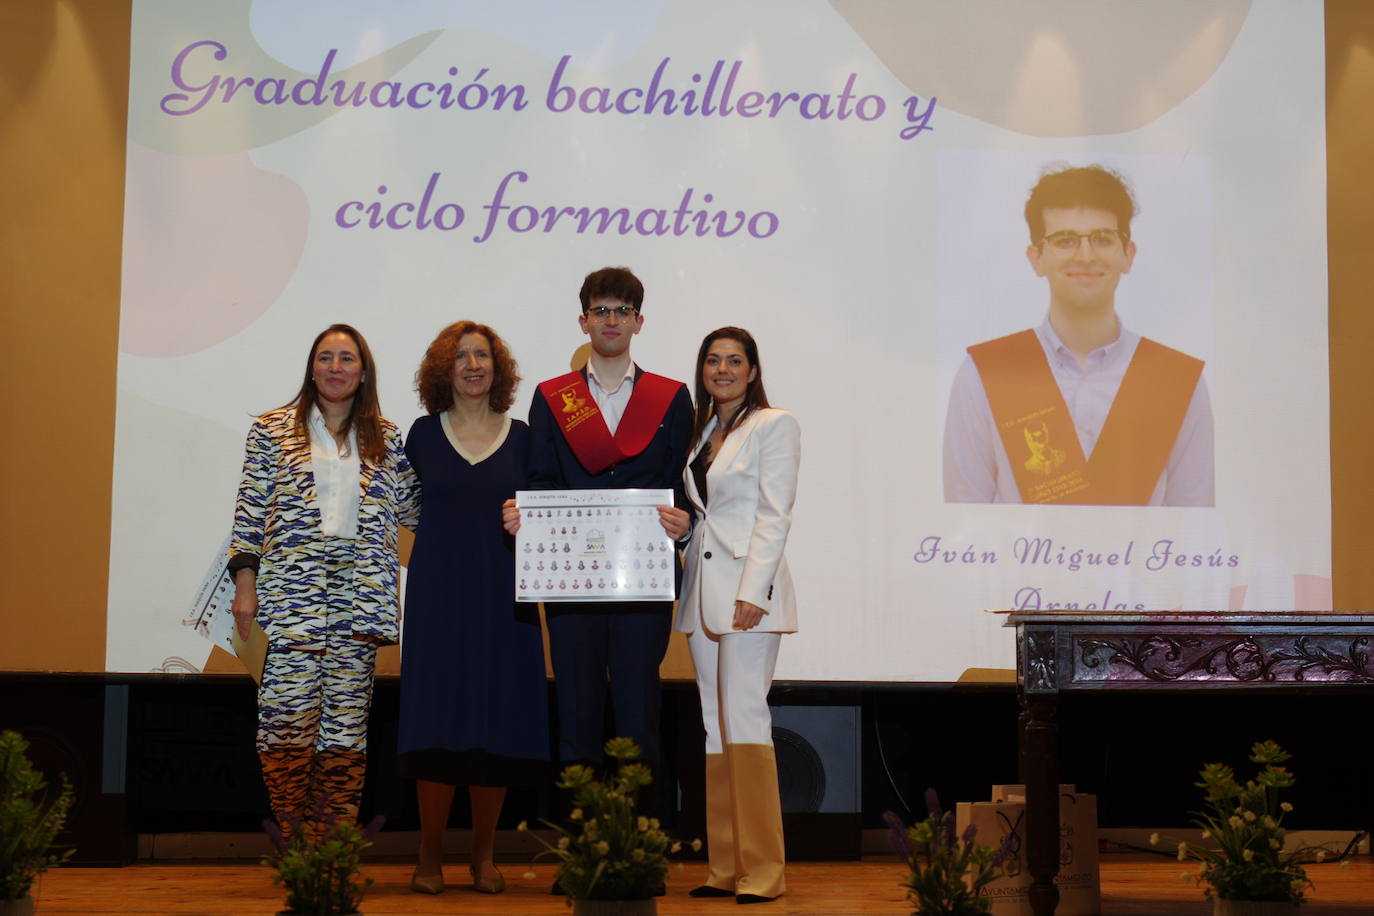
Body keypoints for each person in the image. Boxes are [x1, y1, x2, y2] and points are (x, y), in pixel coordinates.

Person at [501, 267, 693, 813]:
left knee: (639, 718)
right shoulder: (551, 397)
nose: (612, 320)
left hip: (644, 583)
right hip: (571, 584)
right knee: (578, 721)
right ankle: (582, 854)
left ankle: (639, 852)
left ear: (639, 321)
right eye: (601, 310)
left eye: (622, 310)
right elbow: (538, 483)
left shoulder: (671, 398)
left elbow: (685, 487)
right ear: (583, 320)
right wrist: (523, 517)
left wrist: (686, 523)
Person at [229, 323, 419, 841]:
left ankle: (329, 844)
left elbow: (419, 512)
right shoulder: (271, 431)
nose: (336, 367)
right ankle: (293, 835)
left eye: (347, 359)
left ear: (363, 373)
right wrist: (246, 587)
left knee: (345, 731)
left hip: (360, 604)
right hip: (293, 599)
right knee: (285, 723)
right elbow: (248, 518)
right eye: (326, 357)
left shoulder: (388, 437)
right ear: (312, 368)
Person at [942, 163, 1214, 506]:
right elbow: (965, 523)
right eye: (1065, 240)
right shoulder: (985, 373)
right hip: (1024, 562)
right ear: (1036, 258)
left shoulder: (1177, 381)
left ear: (1127, 255)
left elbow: (1194, 530)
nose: (1085, 256)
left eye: (1103, 239)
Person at [397, 321, 548, 896]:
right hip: (438, 596)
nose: (473, 364)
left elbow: (547, 509)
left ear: (498, 368)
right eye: (460, 356)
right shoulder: (420, 435)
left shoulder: (526, 436)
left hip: (504, 598)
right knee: (437, 720)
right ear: (444, 369)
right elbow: (399, 509)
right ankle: (429, 855)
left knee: (498, 723)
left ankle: (484, 855)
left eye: (482, 354)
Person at [659, 327, 800, 904]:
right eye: (713, 360)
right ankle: (725, 866)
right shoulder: (703, 432)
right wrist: (684, 528)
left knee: (745, 719)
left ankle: (764, 870)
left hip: (748, 594)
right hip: (702, 591)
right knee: (714, 726)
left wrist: (755, 589)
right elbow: (711, 514)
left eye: (734, 361)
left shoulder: (774, 424)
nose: (722, 369)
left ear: (752, 369)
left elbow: (774, 513)